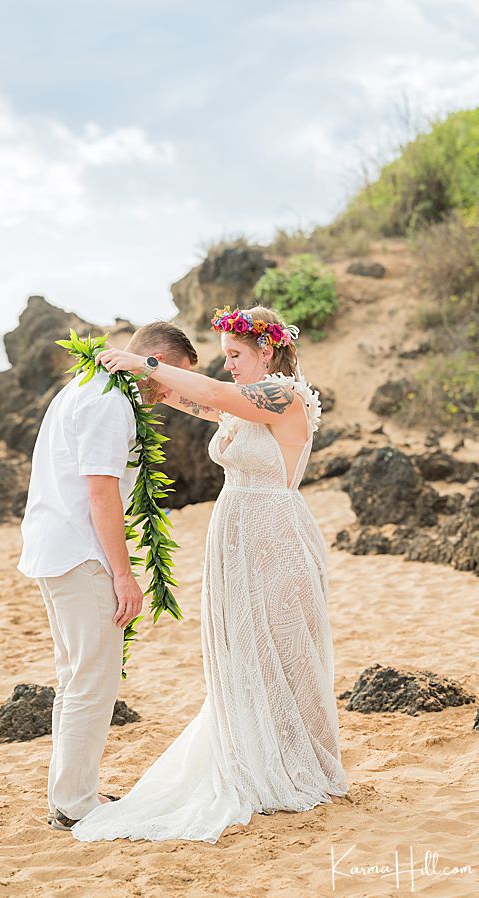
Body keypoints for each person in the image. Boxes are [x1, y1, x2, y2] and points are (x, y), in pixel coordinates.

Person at [70, 305, 348, 844]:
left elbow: (215, 395)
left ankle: (304, 764)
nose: (230, 366)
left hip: (274, 534)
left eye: (237, 356)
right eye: (226, 357)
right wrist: (140, 383)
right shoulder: (246, 407)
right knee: (245, 647)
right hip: (237, 536)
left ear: (266, 351)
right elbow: (194, 399)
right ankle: (261, 753)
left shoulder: (284, 396)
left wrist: (143, 359)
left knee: (287, 648)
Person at [18, 321, 197, 831]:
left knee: (76, 678)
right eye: (172, 377)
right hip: (81, 555)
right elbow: (102, 493)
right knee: (91, 682)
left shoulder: (86, 385)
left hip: (57, 548)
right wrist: (124, 575)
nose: (171, 391)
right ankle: (74, 803)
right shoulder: (110, 403)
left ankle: (71, 792)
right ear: (152, 360)